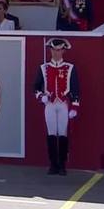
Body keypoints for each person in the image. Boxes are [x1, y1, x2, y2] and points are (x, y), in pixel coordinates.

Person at [34, 38, 80, 176]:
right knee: (51, 133)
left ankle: (62, 164)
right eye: (54, 50)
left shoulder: (70, 68)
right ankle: (53, 164)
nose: (56, 53)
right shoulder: (43, 68)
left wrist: (75, 107)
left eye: (59, 50)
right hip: (49, 105)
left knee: (63, 134)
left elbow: (75, 89)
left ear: (63, 51)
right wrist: (41, 97)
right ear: (50, 50)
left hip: (64, 104)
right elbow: (35, 87)